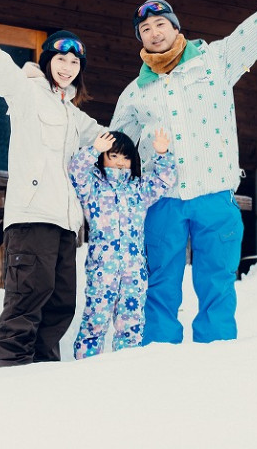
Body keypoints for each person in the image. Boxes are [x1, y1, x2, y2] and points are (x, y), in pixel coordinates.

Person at [110, 0, 257, 344]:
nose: (154, 33)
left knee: (217, 282)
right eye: (145, 29)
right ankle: (156, 356)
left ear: (176, 27)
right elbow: (115, 147)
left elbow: (255, 29)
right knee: (160, 284)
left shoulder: (215, 62)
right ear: (140, 40)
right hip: (163, 201)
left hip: (214, 195)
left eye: (161, 24)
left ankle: (217, 356)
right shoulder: (135, 92)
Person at [0, 28, 105, 367]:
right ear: (47, 61)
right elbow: (8, 79)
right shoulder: (30, 93)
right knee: (27, 299)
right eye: (60, 59)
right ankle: (11, 372)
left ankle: (43, 378)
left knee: (60, 304)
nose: (67, 67)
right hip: (32, 218)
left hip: (66, 224)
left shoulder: (72, 114)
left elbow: (105, 136)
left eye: (74, 62)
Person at [68, 128, 176, 359]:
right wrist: (94, 149)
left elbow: (164, 179)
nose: (120, 162)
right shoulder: (92, 187)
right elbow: (75, 171)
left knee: (131, 321)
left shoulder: (138, 189)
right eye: (113, 155)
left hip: (134, 269)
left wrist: (162, 153)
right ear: (103, 157)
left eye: (125, 157)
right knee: (95, 319)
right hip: (102, 267)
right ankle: (85, 368)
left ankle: (126, 370)